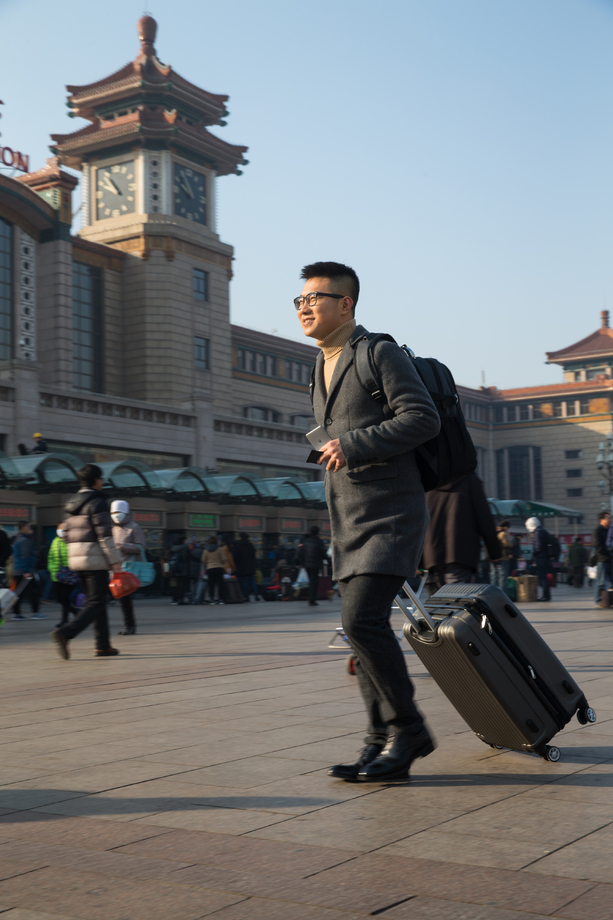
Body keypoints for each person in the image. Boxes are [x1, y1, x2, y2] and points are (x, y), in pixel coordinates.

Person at [298, 260, 440, 783]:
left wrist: (353, 444)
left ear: (346, 304)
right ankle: (378, 743)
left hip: (391, 514)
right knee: (361, 632)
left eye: (315, 298)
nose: (305, 307)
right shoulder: (319, 364)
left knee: (362, 622)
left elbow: (423, 417)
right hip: (348, 520)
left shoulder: (376, 351)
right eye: (299, 300)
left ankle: (410, 730)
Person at [50, 464, 123, 659]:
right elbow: (105, 537)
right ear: (97, 481)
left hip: (76, 561)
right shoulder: (98, 503)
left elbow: (65, 534)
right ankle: (65, 633)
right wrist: (115, 562)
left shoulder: (70, 504)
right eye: (101, 479)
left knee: (96, 602)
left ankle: (103, 645)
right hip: (94, 560)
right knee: (98, 602)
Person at [422, 473, 501, 593]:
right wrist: (494, 552)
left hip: (431, 556)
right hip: (461, 554)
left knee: (438, 605)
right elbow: (484, 518)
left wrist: (418, 560)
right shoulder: (469, 480)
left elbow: (418, 519)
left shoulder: (428, 482)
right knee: (457, 601)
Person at [110, 500, 146, 635]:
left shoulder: (134, 527)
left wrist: (123, 547)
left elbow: (141, 546)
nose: (115, 515)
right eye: (113, 513)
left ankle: (130, 626)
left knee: (125, 599)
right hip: (115, 569)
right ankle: (129, 625)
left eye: (118, 512)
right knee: (121, 599)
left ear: (126, 513)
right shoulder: (112, 529)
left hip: (128, 569)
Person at [12, 522, 43, 620]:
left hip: (17, 570)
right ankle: (35, 613)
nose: (29, 528)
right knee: (33, 592)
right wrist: (26, 571)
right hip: (25, 571)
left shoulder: (16, 539)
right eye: (28, 526)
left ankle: (17, 613)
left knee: (18, 593)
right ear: (23, 527)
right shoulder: (24, 540)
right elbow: (24, 556)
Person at [47, 527, 77, 628]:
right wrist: (52, 570)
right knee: (59, 598)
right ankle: (75, 611)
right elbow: (50, 557)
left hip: (70, 574)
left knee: (65, 597)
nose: (61, 530)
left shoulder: (72, 541)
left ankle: (64, 620)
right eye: (59, 528)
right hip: (57, 574)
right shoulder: (55, 542)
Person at [298, 526, 329, 606]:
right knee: (314, 582)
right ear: (318, 532)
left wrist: (302, 563)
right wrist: (329, 562)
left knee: (311, 581)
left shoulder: (305, 541)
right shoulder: (319, 542)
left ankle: (311, 597)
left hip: (307, 565)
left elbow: (301, 553)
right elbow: (323, 553)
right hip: (315, 564)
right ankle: (312, 599)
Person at [526, 516, 553, 602]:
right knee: (543, 577)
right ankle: (546, 595)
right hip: (544, 557)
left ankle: (545, 596)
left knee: (542, 578)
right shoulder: (542, 531)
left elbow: (538, 547)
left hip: (541, 558)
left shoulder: (537, 532)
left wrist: (534, 554)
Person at [233, 532, 261, 602]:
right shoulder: (250, 545)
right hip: (250, 565)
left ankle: (246, 595)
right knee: (252, 580)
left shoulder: (238, 545)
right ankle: (256, 594)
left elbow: (235, 557)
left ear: (240, 537)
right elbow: (253, 556)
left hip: (241, 566)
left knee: (244, 581)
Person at [201, 535, 228, 604]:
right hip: (219, 568)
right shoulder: (220, 549)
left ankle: (212, 598)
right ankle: (221, 599)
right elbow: (224, 559)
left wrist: (207, 564)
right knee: (220, 584)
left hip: (210, 568)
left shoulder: (206, 550)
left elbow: (203, 560)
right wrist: (221, 562)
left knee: (211, 584)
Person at [592, 511, 611, 607]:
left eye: (610, 518)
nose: (610, 520)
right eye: (608, 518)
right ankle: (598, 601)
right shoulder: (597, 531)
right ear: (601, 520)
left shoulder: (610, 530)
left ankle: (610, 601)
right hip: (602, 559)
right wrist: (609, 551)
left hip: (611, 559)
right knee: (601, 582)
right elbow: (598, 546)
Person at [169, 535, 189, 605]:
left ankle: (175, 599)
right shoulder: (185, 548)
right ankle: (181, 599)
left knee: (175, 585)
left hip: (175, 569)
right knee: (182, 586)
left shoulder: (173, 548)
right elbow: (187, 558)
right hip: (183, 569)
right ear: (183, 541)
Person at [495, 520, 514, 587]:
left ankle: (495, 593)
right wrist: (510, 545)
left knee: (495, 577)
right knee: (503, 577)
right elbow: (507, 544)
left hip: (495, 557)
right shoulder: (503, 534)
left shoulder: (496, 532)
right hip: (503, 557)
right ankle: (503, 594)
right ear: (506, 527)